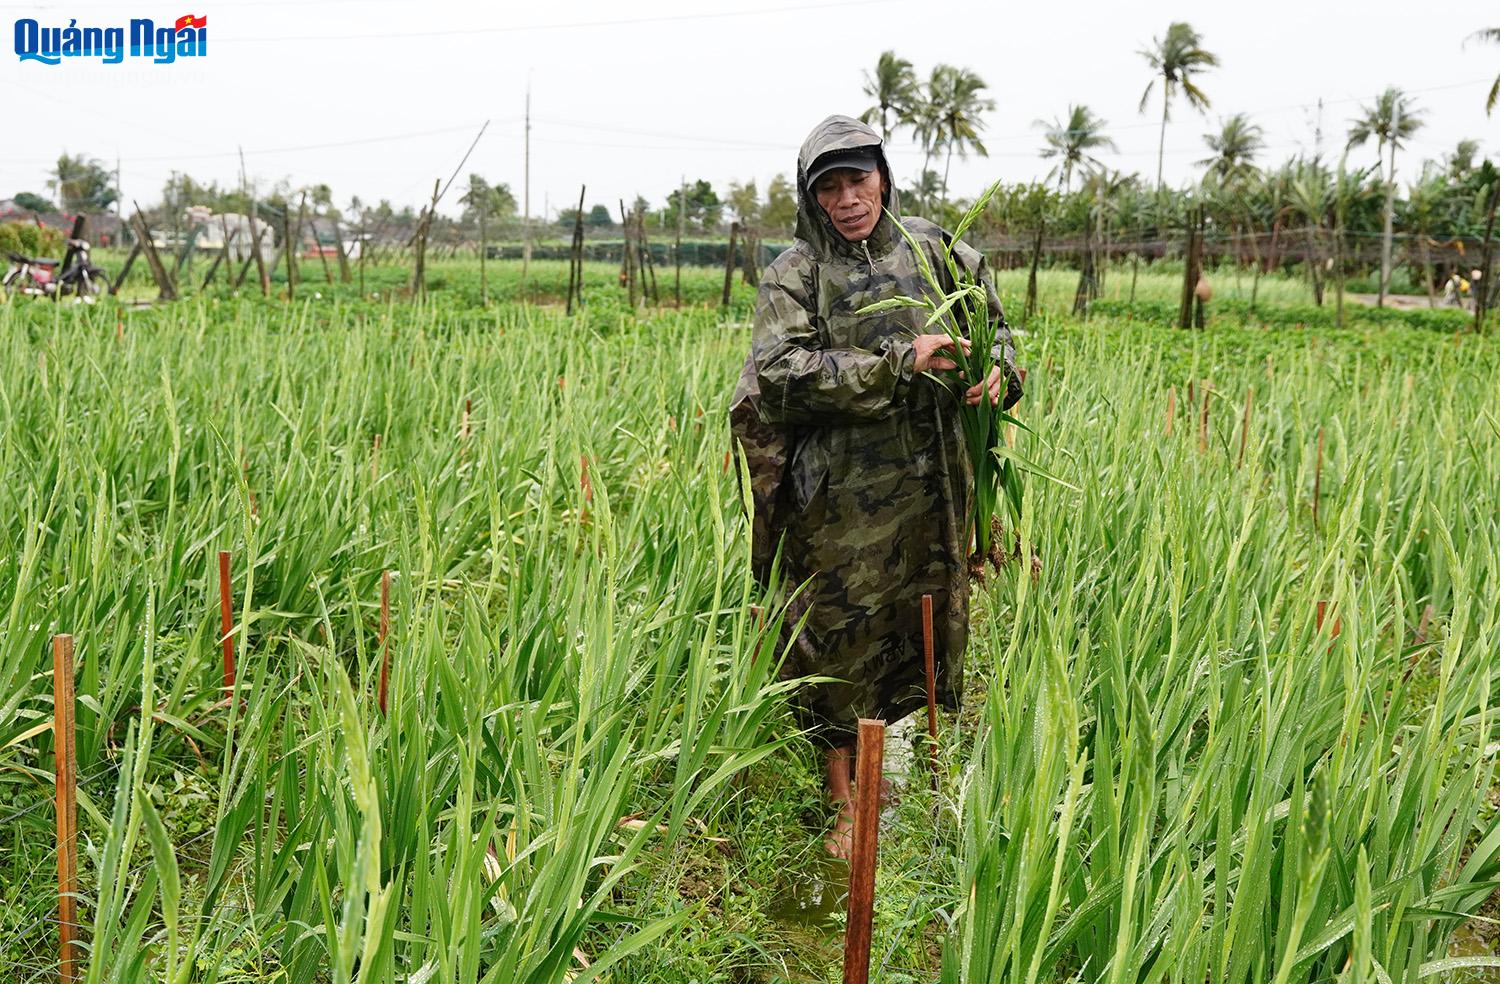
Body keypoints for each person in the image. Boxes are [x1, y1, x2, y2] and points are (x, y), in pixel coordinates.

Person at [728, 115, 1023, 857]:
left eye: (857, 179)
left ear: (882, 177)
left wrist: (1001, 374)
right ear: (813, 198)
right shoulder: (796, 273)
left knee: (918, 622)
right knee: (837, 637)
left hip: (933, 484)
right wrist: (900, 361)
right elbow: (780, 374)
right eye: (829, 187)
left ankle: (904, 771)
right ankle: (844, 803)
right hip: (838, 499)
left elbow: (999, 329)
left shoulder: (937, 252)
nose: (848, 198)